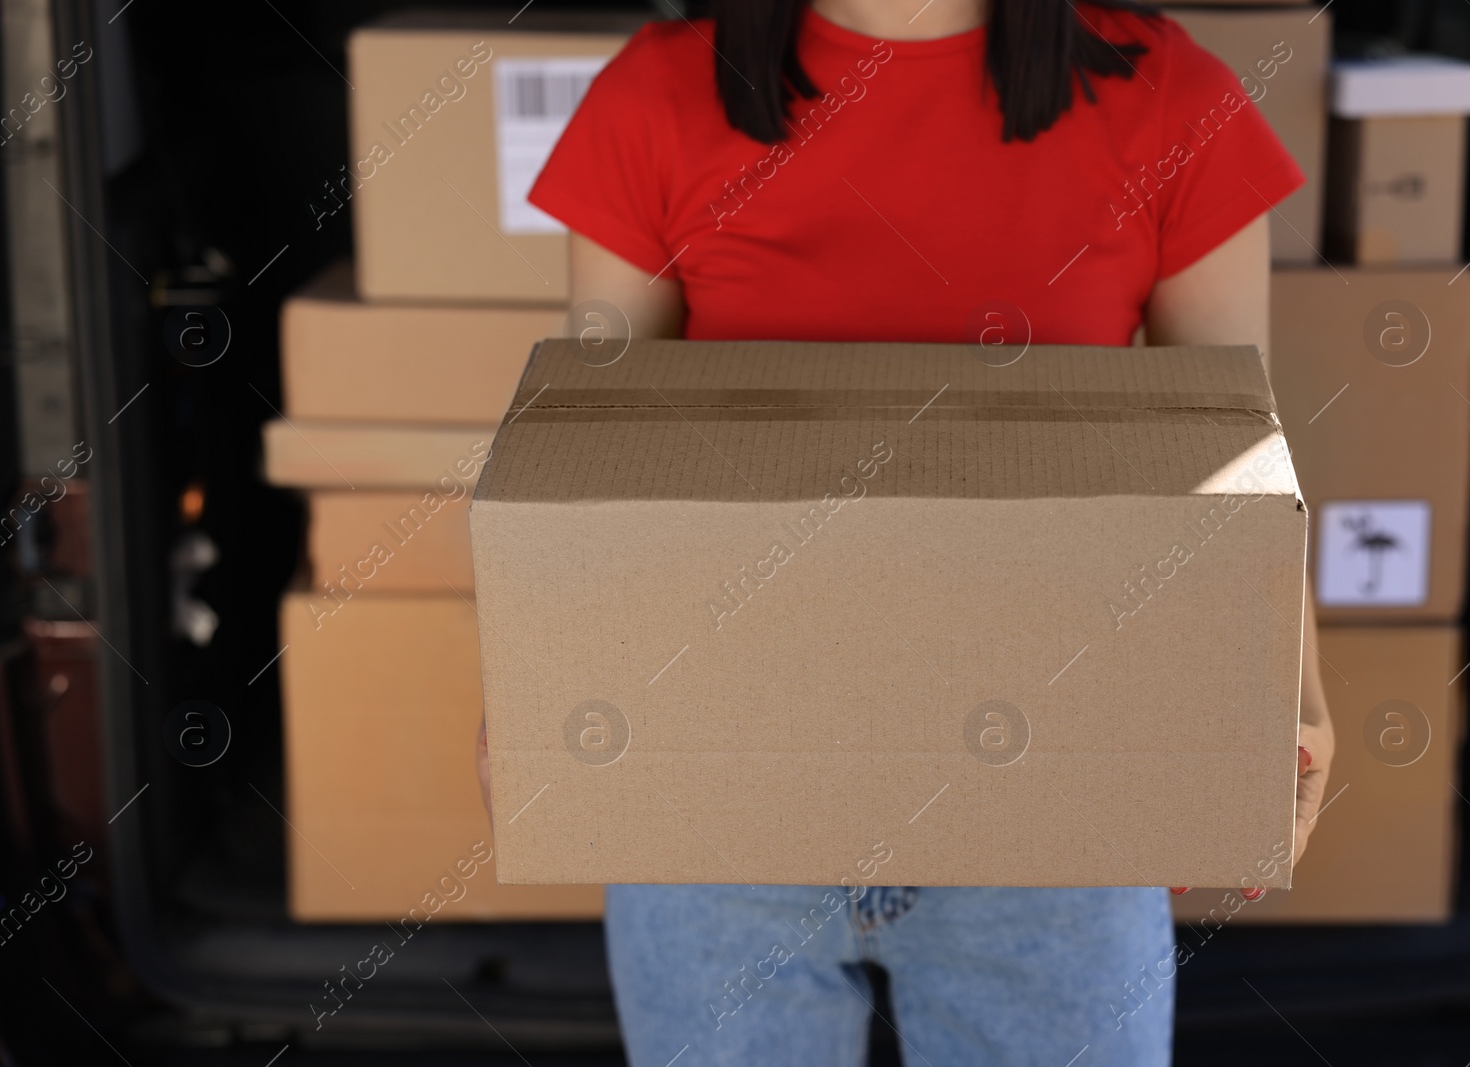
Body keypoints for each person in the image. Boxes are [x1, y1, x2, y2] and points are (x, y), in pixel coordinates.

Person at [477, 0, 1335, 1061]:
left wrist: (1293, 697)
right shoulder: (656, 97)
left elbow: (1234, 463)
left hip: (1054, 804)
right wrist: (534, 686)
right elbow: (594, 465)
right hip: (721, 797)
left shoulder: (1169, 98)